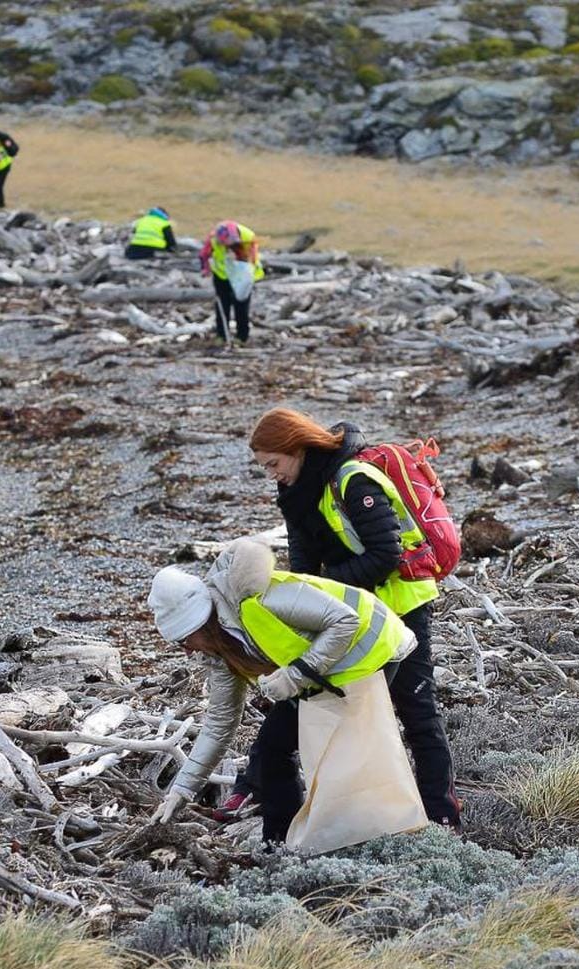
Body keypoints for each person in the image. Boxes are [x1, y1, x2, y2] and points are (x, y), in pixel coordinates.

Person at [228, 407, 461, 830]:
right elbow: (304, 565)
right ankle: (259, 786)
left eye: (273, 464)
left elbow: (384, 555)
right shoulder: (297, 495)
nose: (271, 475)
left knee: (417, 711)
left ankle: (442, 815)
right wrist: (305, 599)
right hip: (350, 615)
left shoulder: (354, 480)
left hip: (402, 607)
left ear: (296, 448)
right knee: (304, 698)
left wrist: (328, 591)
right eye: (264, 468)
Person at [148, 538, 426, 850]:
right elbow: (219, 723)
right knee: (270, 751)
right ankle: (279, 846)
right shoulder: (220, 652)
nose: (185, 652)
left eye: (184, 641)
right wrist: (182, 790)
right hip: (324, 669)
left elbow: (345, 620)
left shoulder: (262, 599)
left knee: (342, 748)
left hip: (373, 646)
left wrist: (295, 676)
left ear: (202, 624)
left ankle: (374, 835)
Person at [198, 220, 264, 344]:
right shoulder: (213, 238)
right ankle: (222, 335)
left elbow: (253, 259)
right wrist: (205, 268)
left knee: (241, 305)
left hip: (242, 276)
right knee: (222, 305)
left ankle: (242, 337)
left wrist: (247, 274)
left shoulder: (248, 236)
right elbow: (204, 254)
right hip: (222, 275)